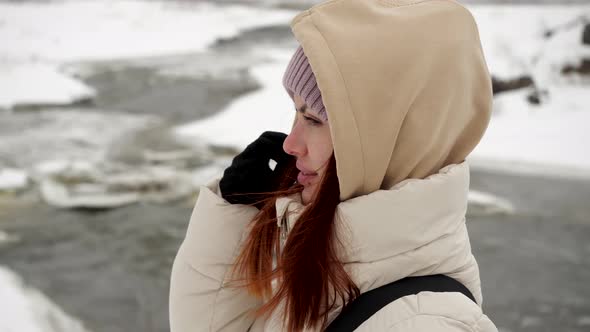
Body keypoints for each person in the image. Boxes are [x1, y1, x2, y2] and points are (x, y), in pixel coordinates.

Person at [169, 0, 498, 331]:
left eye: (312, 119)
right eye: (296, 114)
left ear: (385, 141)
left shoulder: (422, 325)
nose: (290, 144)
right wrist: (232, 218)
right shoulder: (330, 266)